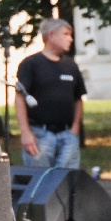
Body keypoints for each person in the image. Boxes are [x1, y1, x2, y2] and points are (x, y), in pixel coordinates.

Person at [14, 17, 86, 169]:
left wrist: (75, 129)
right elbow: (20, 98)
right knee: (41, 179)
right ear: (51, 35)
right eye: (66, 34)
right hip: (39, 135)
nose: (70, 39)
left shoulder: (71, 66)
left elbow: (78, 99)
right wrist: (25, 132)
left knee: (67, 180)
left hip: (67, 135)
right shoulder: (31, 64)